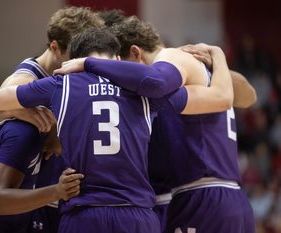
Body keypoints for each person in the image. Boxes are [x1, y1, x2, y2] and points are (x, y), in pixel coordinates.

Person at [0, 27, 201, 233]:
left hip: (83, 214)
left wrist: (25, 112)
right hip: (135, 214)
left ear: (73, 61)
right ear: (117, 59)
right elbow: (208, 97)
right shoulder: (144, 90)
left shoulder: (60, 85)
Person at [60, 16, 255, 233]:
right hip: (234, 196)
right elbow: (248, 96)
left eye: (121, 68)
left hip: (200, 196)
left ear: (135, 53)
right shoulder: (206, 68)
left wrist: (89, 64)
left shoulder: (167, 67)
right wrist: (218, 57)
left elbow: (222, 97)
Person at [0, 6, 104, 233]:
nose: (78, 65)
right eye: (75, 57)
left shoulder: (67, 82)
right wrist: (10, 111)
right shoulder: (22, 81)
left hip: (25, 209)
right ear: (54, 46)